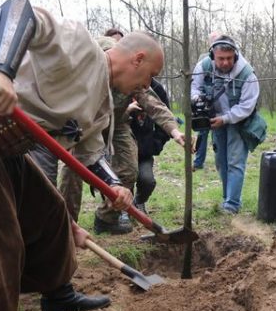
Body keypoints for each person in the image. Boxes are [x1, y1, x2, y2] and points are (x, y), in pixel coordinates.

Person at [0, 0, 162, 311]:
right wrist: (2, 72)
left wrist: (116, 189)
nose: (147, 86)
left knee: (51, 212)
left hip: (10, 147)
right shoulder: (79, 45)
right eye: (149, 76)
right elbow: (19, 9)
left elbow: (90, 154)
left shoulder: (102, 106)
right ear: (136, 59)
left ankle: (58, 295)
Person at [54, 34, 184, 233]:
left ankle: (107, 217)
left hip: (117, 122)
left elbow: (154, 104)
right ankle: (67, 226)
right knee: (72, 169)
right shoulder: (95, 59)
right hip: (83, 122)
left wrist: (175, 131)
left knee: (129, 169)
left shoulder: (136, 77)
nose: (148, 82)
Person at [190, 35, 261, 214]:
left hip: (238, 121)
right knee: (221, 161)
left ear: (235, 55)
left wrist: (227, 118)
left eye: (229, 58)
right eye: (221, 58)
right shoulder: (204, 67)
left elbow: (247, 106)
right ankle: (226, 198)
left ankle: (232, 205)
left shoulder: (247, 74)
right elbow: (194, 88)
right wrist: (198, 100)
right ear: (213, 55)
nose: (225, 62)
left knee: (235, 161)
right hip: (215, 119)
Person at [130, 78, 174, 210]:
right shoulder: (121, 84)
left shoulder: (156, 88)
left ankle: (139, 201)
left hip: (144, 150)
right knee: (122, 180)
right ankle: (122, 211)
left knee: (147, 181)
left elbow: (165, 117)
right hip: (120, 148)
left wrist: (156, 143)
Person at [193, 31, 223, 171]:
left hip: (220, 103)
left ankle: (220, 162)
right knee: (202, 132)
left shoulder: (225, 59)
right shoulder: (203, 60)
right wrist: (199, 99)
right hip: (204, 104)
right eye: (213, 41)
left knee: (219, 134)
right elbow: (196, 83)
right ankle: (198, 162)